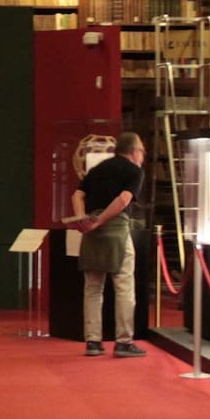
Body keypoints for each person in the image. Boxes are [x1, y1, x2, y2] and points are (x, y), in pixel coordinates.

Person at [68, 132, 147, 357]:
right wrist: (101, 220)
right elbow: (123, 199)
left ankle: (93, 342)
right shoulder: (135, 171)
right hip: (116, 231)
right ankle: (123, 342)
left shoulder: (98, 170)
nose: (142, 157)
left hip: (91, 232)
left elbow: (77, 195)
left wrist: (84, 220)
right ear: (134, 151)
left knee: (93, 288)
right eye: (142, 152)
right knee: (124, 287)